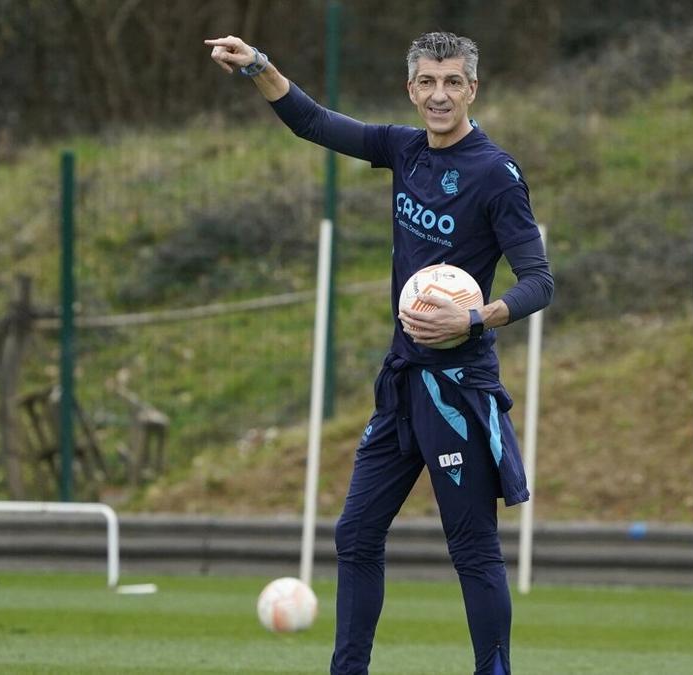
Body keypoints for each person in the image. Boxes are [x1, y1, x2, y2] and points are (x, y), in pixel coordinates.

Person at [206, 31, 553, 675]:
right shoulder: (404, 149)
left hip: (458, 390)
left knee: (472, 548)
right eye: (428, 81)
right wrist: (258, 65)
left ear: (472, 89)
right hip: (401, 385)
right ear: (412, 89)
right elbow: (312, 122)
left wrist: (475, 317)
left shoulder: (496, 175)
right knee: (356, 534)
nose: (440, 94)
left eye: (453, 82)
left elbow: (539, 280)